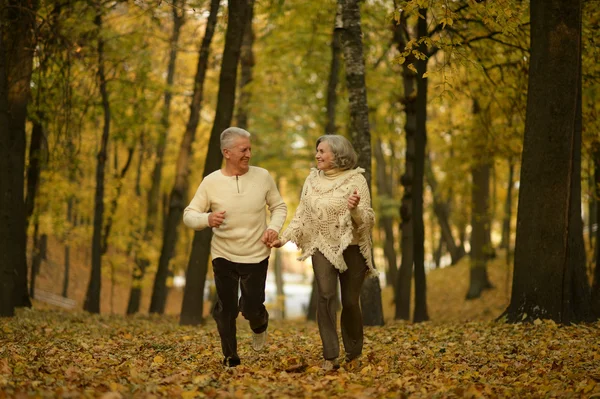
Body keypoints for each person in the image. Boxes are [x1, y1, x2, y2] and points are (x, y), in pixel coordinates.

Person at [269, 134, 376, 371]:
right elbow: (302, 215)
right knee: (326, 296)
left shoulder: (356, 179)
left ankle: (354, 351)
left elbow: (367, 220)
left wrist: (355, 209)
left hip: (353, 247)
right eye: (316, 151)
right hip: (321, 246)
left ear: (337, 154)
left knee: (349, 301)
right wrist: (283, 238)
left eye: (322, 151)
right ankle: (330, 355)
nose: (317, 155)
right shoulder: (312, 180)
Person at [183, 127, 287, 367]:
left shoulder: (262, 176)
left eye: (250, 148)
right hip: (224, 255)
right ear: (227, 153)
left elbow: (279, 206)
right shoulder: (211, 182)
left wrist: (273, 228)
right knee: (226, 308)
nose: (249, 154)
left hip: (256, 254)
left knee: (251, 307)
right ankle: (231, 356)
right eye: (243, 149)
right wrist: (207, 219)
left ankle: (259, 323)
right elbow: (189, 215)